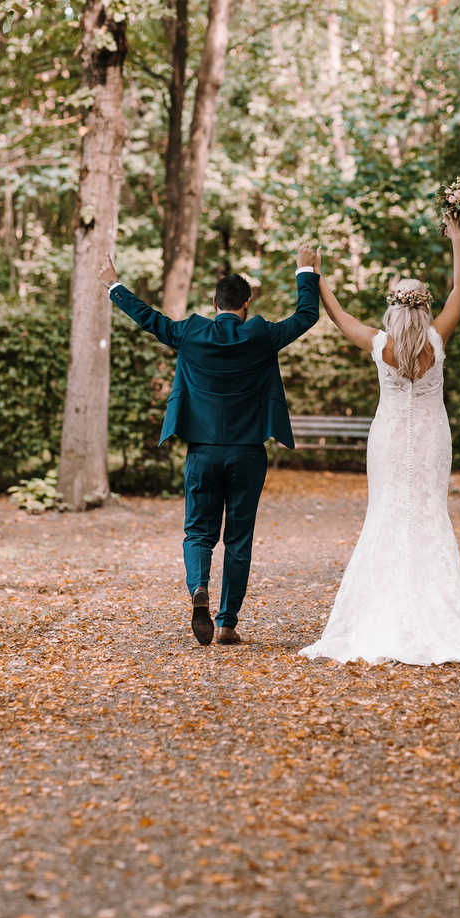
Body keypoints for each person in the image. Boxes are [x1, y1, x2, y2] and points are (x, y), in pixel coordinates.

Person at [299, 216, 460, 665]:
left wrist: (318, 275)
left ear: (393, 309)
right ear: (424, 309)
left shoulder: (379, 343)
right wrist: (457, 237)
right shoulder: (437, 338)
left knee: (387, 514)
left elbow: (338, 316)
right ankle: (437, 613)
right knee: (429, 514)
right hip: (431, 438)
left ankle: (379, 614)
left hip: (388, 440)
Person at [98, 248, 322, 646]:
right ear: (246, 304)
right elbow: (307, 316)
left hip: (202, 451)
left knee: (198, 533)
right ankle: (226, 623)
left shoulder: (190, 332)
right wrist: (307, 270)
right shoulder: (262, 335)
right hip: (248, 453)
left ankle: (198, 586)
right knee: (238, 539)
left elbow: (149, 318)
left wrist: (115, 285)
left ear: (214, 303)